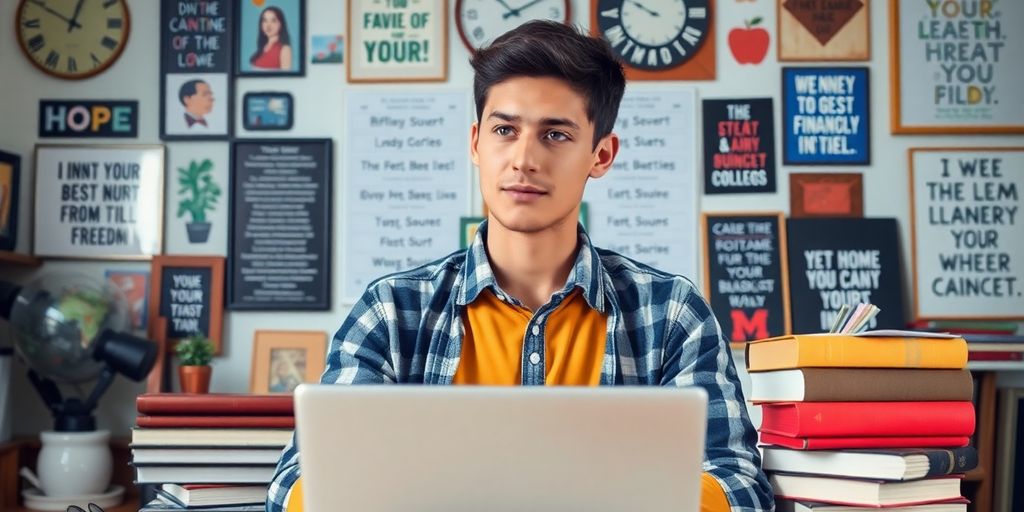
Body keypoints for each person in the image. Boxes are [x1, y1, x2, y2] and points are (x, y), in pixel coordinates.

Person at [267, 21, 773, 512]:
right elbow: (299, 482)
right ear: (475, 143)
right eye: (505, 129)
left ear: (601, 155)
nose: (523, 159)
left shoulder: (671, 314)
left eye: (555, 135)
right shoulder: (392, 312)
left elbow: (737, 485)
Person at [250, 6, 293, 71]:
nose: (268, 25)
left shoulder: (284, 49)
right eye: (265, 21)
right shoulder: (262, 48)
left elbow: (286, 79)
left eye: (273, 21)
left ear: (280, 24)